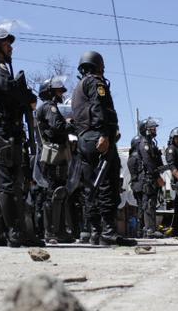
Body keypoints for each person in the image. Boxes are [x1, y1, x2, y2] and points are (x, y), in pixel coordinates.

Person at [0, 23, 43, 247]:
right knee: (10, 182)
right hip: (3, 131)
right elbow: (9, 87)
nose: (10, 47)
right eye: (5, 43)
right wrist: (29, 97)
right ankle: (17, 233)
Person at [72, 50, 136, 246]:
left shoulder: (78, 88)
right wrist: (105, 134)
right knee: (108, 183)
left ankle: (94, 232)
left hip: (84, 139)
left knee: (91, 186)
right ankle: (108, 232)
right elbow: (100, 107)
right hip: (97, 137)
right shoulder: (95, 82)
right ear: (98, 65)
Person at [35, 76, 75, 243]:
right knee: (54, 194)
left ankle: (59, 231)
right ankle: (50, 232)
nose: (61, 92)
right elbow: (57, 127)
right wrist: (72, 124)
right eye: (58, 90)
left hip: (57, 154)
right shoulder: (49, 107)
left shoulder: (49, 107)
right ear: (50, 91)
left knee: (59, 193)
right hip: (53, 155)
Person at [137, 119, 166, 239]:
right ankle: (149, 230)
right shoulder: (144, 144)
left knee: (152, 203)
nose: (155, 130)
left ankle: (152, 228)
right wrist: (157, 177)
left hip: (152, 178)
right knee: (148, 203)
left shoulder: (151, 143)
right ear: (146, 130)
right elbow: (148, 163)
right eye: (152, 128)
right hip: (148, 178)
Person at [127, 134, 144, 238]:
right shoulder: (134, 157)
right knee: (142, 208)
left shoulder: (136, 156)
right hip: (138, 185)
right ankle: (140, 231)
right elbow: (136, 174)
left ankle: (141, 230)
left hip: (139, 184)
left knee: (143, 208)